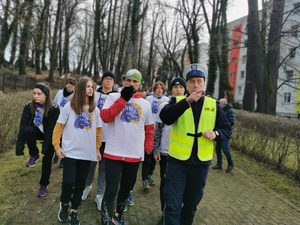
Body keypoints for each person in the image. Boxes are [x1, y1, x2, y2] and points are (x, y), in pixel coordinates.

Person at [159, 63, 231, 225]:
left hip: (200, 165)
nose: (196, 85)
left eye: (199, 81)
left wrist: (216, 133)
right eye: (192, 81)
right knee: (173, 204)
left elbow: (226, 129)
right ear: (187, 84)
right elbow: (166, 118)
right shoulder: (176, 101)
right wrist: (187, 102)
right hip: (177, 163)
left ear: (204, 83)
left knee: (191, 205)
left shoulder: (213, 106)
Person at [100, 69, 154, 225]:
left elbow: (149, 128)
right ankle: (106, 219)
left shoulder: (145, 104)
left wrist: (148, 147)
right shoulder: (113, 97)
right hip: (113, 153)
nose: (131, 84)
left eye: (135, 81)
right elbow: (106, 117)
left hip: (134, 155)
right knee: (111, 190)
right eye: (128, 80)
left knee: (126, 189)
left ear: (139, 84)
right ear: (123, 81)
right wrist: (123, 99)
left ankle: (119, 216)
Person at [52, 77, 102, 225]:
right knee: (68, 182)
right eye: (87, 86)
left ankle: (74, 209)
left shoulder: (95, 110)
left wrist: (97, 149)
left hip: (87, 154)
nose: (91, 89)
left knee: (80, 183)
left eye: (92, 87)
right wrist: (57, 146)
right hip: (70, 153)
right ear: (80, 88)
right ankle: (64, 205)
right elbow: (58, 127)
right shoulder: (69, 107)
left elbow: (98, 132)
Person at [16, 83, 60, 197]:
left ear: (45, 95)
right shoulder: (29, 106)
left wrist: (44, 151)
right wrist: (19, 148)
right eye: (34, 93)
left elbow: (51, 130)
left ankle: (44, 184)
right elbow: (23, 126)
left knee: (46, 161)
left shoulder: (54, 108)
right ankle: (34, 155)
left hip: (49, 135)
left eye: (39, 94)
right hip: (36, 131)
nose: (36, 96)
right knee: (28, 130)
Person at [81, 71, 117, 212]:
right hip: (92, 135)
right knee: (90, 164)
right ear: (102, 81)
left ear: (114, 82)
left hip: (109, 137)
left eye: (111, 79)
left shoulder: (116, 97)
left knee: (103, 167)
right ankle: (87, 185)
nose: (108, 81)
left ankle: (100, 194)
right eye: (106, 78)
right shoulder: (94, 94)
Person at [153, 77, 186, 218]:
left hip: (184, 153)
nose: (178, 90)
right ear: (171, 89)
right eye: (175, 87)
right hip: (166, 152)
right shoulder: (164, 106)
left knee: (181, 187)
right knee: (166, 186)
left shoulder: (190, 106)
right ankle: (165, 213)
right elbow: (158, 129)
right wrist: (156, 148)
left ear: (185, 89)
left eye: (181, 87)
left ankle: (177, 213)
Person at [142, 81, 169, 189]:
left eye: (161, 88)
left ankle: (149, 174)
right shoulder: (148, 99)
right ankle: (144, 179)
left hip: (159, 132)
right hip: (149, 130)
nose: (159, 90)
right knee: (147, 156)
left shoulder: (166, 101)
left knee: (155, 156)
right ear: (154, 89)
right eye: (157, 88)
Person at [53, 77, 77, 167]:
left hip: (69, 119)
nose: (70, 89)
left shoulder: (75, 95)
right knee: (57, 137)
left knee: (65, 139)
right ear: (66, 84)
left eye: (72, 87)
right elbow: (55, 103)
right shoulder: (60, 93)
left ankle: (63, 159)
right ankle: (56, 154)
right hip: (58, 118)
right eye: (69, 86)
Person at [212, 98, 236, 172]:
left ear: (223, 104)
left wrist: (223, 126)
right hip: (219, 132)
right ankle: (219, 164)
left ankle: (231, 164)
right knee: (218, 148)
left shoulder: (230, 111)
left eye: (220, 103)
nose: (218, 104)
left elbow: (231, 122)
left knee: (225, 149)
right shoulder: (220, 110)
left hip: (226, 133)